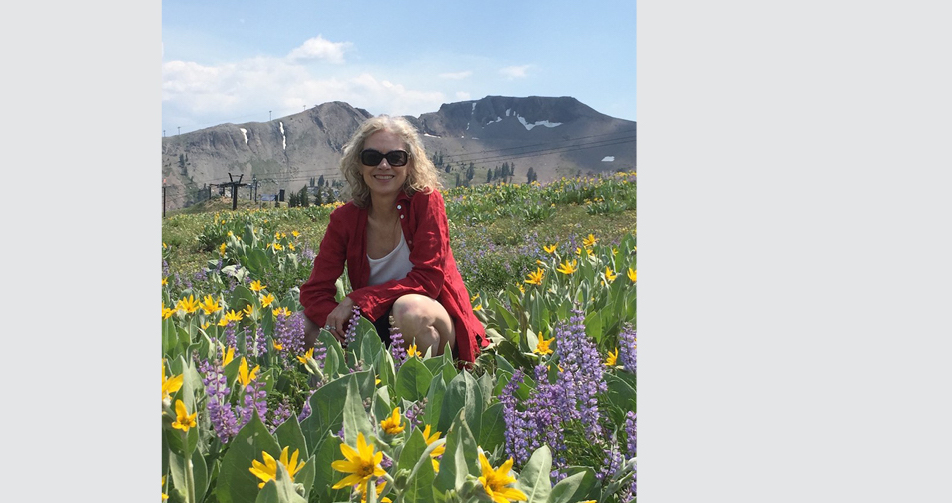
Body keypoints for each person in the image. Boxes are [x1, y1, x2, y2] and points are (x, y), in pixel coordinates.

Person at [299, 114, 488, 363]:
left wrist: (356, 301)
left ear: (409, 164)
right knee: (301, 326)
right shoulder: (344, 219)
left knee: (407, 310)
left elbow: (428, 280)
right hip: (370, 321)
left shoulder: (426, 201)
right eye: (372, 157)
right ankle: (339, 390)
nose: (384, 166)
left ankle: (424, 391)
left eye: (396, 158)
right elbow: (315, 291)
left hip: (427, 318)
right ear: (359, 165)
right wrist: (339, 325)